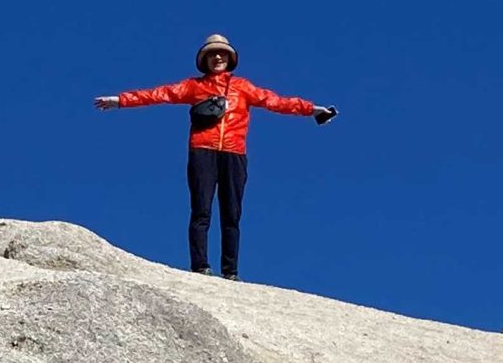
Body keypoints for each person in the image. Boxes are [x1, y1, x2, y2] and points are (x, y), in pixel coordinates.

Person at [94, 34, 335, 280]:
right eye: (212, 54)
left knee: (231, 214)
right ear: (205, 60)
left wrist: (311, 109)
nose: (217, 57)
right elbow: (159, 93)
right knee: (201, 210)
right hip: (202, 151)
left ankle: (230, 272)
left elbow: (276, 102)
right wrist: (120, 100)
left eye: (222, 53)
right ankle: (200, 266)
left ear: (230, 59)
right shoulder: (194, 86)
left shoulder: (242, 87)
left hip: (234, 153)